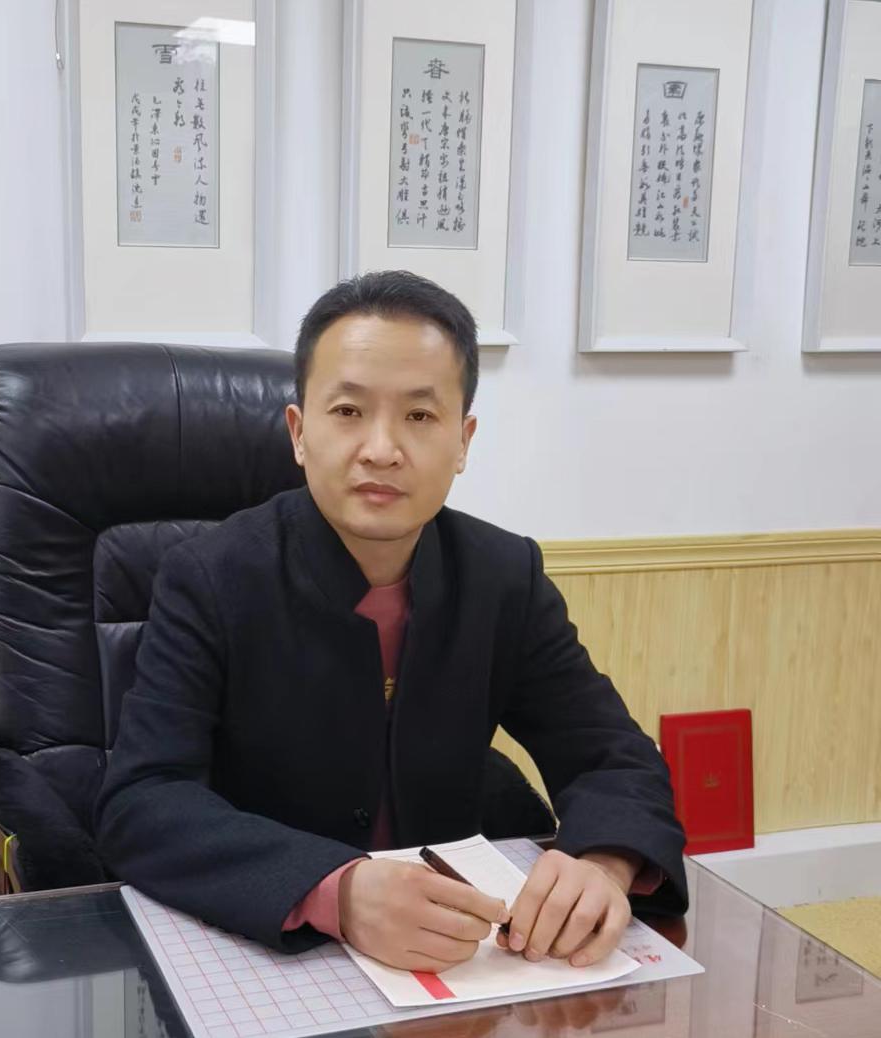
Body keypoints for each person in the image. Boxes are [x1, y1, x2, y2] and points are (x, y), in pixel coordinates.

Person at [95, 270, 687, 974]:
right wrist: (334, 889)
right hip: (270, 947)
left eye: (420, 416)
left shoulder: (504, 577)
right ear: (299, 433)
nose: (381, 448)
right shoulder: (209, 577)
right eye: (348, 411)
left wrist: (605, 861)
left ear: (463, 440)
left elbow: (612, 755)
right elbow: (143, 800)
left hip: (455, 956)